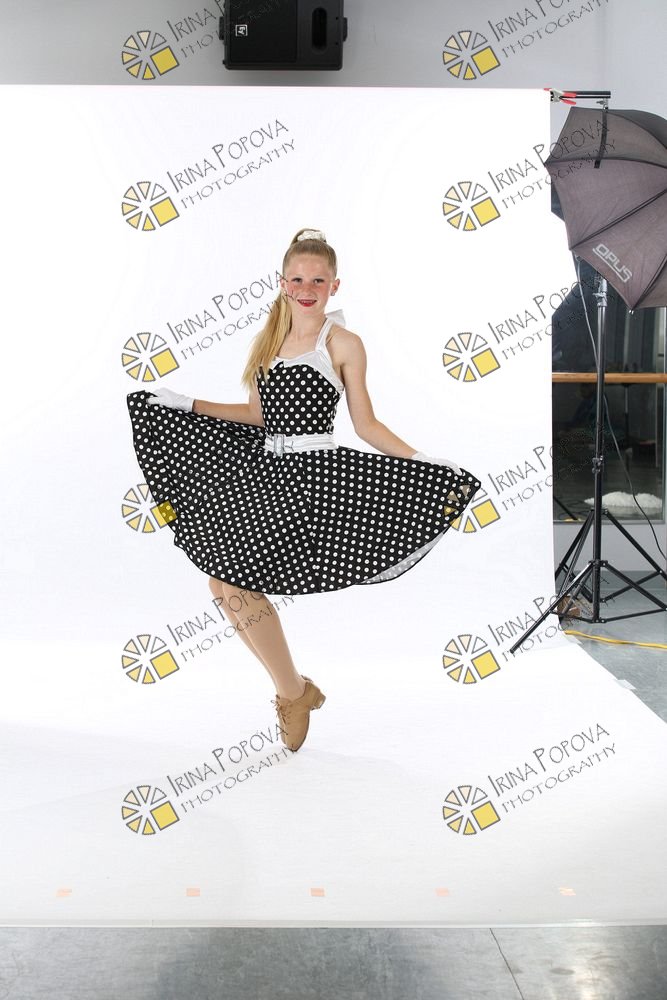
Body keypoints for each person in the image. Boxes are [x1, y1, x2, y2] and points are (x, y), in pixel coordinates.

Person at [126, 228, 481, 752]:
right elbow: (258, 415)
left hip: (313, 481)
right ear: (282, 283)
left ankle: (291, 694)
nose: (307, 288)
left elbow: (365, 424)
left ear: (335, 285)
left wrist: (422, 461)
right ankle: (295, 689)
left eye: (318, 280)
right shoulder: (268, 340)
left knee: (238, 585)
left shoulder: (342, 344)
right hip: (266, 472)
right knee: (220, 586)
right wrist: (189, 405)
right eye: (297, 279)